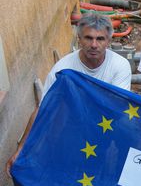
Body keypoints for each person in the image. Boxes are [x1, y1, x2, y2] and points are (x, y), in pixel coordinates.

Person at [5, 13, 132, 176]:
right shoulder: (63, 68)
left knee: (128, 127)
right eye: (88, 38)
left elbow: (117, 107)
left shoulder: (119, 65)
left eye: (100, 39)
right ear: (79, 38)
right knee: (72, 161)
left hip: (106, 120)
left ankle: (120, 173)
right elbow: (43, 108)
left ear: (108, 41)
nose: (94, 44)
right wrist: (21, 148)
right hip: (74, 121)